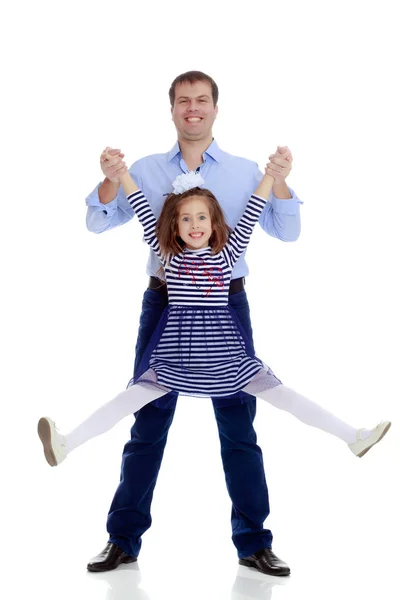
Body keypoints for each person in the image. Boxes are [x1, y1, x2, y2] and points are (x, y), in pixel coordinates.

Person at [39, 156, 390, 558]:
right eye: (185, 219)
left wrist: (272, 178)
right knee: (129, 404)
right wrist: (120, 177)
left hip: (227, 357)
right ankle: (67, 444)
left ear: (213, 221)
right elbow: (138, 206)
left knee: (284, 398)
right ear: (173, 226)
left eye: (201, 217)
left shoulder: (228, 254)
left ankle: (353, 438)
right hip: (175, 357)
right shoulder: (166, 256)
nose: (194, 226)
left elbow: (255, 209)